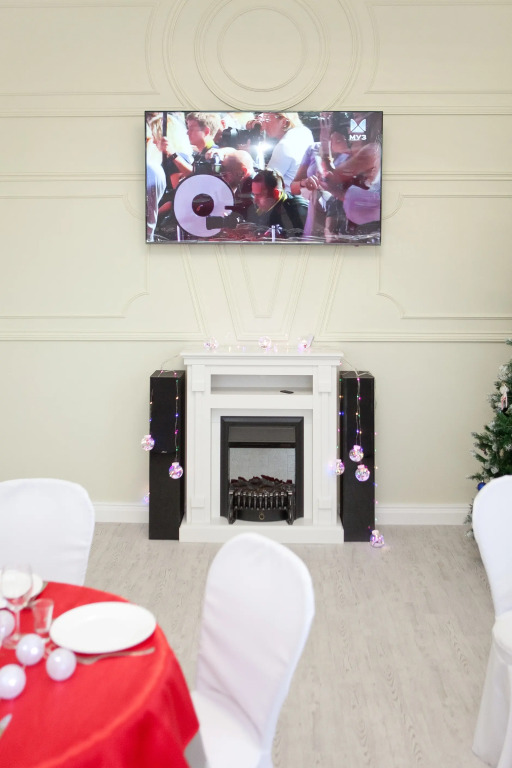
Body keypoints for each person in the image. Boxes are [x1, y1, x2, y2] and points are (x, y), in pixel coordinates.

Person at [290, 115, 352, 239]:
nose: (325, 119)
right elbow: (293, 188)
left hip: (338, 210)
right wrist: (305, 183)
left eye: (329, 115)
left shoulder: (351, 153)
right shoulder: (313, 149)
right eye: (323, 116)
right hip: (315, 209)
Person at [242, 169, 307, 239]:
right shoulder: (258, 208)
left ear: (276, 194)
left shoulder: (297, 211)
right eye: (254, 194)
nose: (255, 200)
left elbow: (301, 242)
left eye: (259, 195)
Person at [256, 113, 314, 193]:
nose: (264, 124)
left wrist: (248, 154)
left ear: (284, 122)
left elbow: (265, 182)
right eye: (263, 118)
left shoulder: (284, 145)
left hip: (288, 197)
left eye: (267, 119)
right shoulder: (305, 131)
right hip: (303, 195)